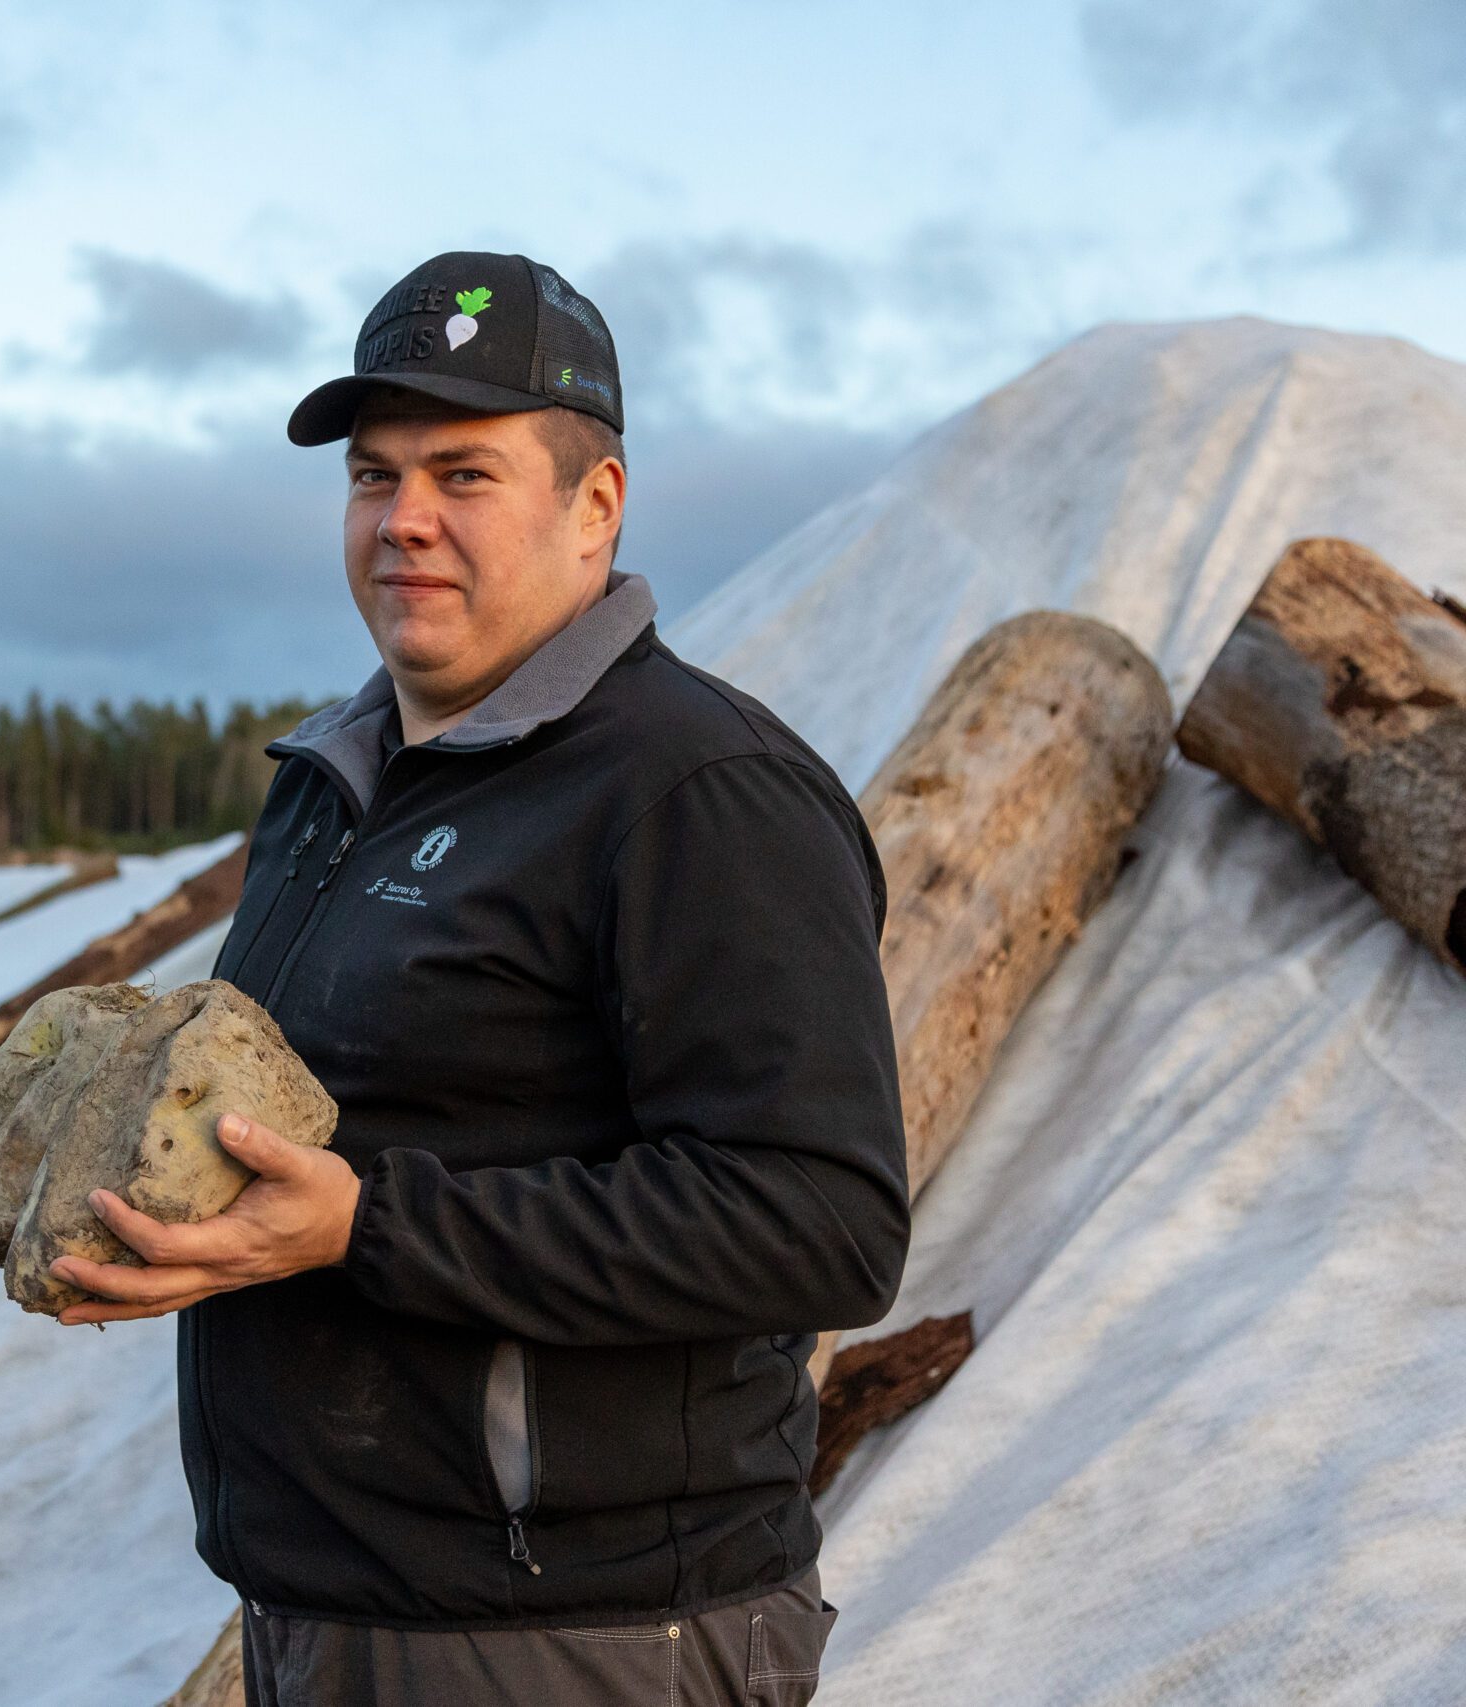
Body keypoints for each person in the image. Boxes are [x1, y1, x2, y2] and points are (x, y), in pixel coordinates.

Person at [48, 251, 911, 1705]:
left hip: (580, 1641)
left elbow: (821, 1223)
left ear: (597, 508)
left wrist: (365, 1230)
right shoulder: (333, 781)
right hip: (331, 1613)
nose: (406, 524)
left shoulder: (696, 792)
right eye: (375, 479)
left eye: (464, 475)